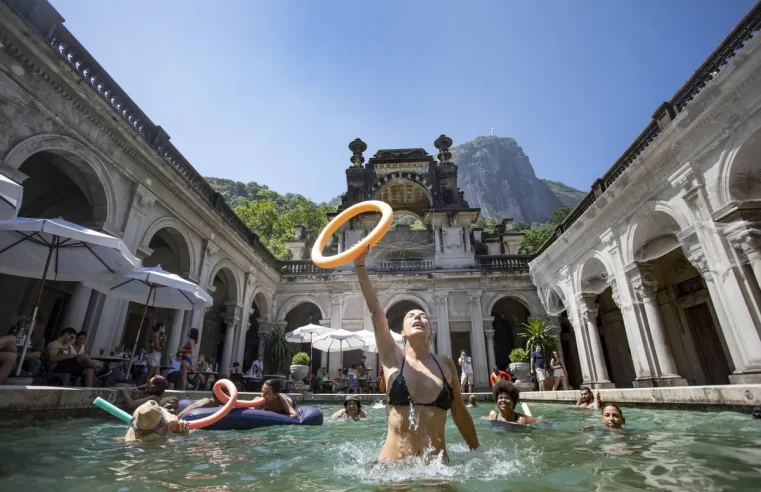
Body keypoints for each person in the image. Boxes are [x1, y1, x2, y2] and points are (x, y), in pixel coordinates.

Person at [355, 246, 478, 462]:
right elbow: (376, 311)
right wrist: (360, 266)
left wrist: (478, 453)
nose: (418, 318)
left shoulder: (445, 364)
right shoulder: (393, 358)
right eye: (411, 316)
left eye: (423, 316)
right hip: (393, 469)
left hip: (437, 468)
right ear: (402, 332)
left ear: (431, 330)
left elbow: (459, 413)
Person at [124, 400, 190, 443]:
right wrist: (182, 436)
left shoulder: (127, 441)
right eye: (168, 408)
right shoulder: (167, 443)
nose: (172, 410)